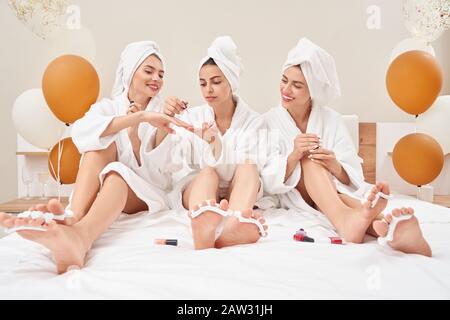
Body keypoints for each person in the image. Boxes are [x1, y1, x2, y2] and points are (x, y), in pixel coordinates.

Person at [0, 41, 193, 273]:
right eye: (149, 71)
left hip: (148, 193)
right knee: (99, 145)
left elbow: (162, 173)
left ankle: (81, 238)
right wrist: (134, 119)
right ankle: (73, 218)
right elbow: (81, 134)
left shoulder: (163, 113)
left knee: (116, 173)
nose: (157, 79)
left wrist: (137, 134)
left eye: (161, 74)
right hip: (112, 186)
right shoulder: (108, 107)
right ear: (131, 72)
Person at [261, 38, 431, 256]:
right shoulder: (267, 122)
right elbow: (265, 180)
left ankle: (393, 231)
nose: (286, 89)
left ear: (312, 90)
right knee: (308, 160)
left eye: (297, 85)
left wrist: (335, 165)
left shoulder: (332, 120)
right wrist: (294, 155)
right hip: (294, 196)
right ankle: (352, 220)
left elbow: (353, 173)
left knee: (353, 207)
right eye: (284, 81)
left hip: (331, 193)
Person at [155, 36, 268, 250]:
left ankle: (233, 226)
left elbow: (244, 168)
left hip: (240, 189)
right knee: (208, 173)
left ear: (231, 82)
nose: (208, 89)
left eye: (216, 82)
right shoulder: (193, 116)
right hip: (202, 189)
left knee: (248, 168)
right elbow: (173, 159)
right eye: (203, 83)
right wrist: (167, 118)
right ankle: (203, 226)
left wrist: (215, 143)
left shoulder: (254, 122)